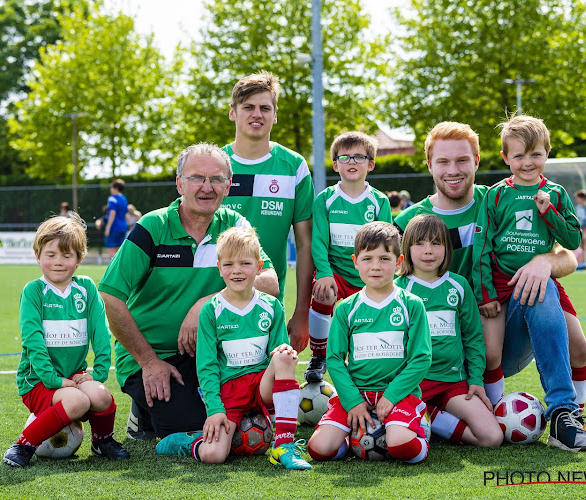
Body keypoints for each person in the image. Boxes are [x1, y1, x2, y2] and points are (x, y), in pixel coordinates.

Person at [394, 121, 586, 446]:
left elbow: (569, 256)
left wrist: (544, 261)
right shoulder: (409, 224)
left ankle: (567, 415)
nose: (453, 170)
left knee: (556, 309)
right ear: (429, 165)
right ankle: (434, 413)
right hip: (441, 351)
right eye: (443, 161)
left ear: (478, 161)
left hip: (500, 331)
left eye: (462, 160)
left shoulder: (495, 199)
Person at [98, 143, 279, 439]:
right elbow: (110, 296)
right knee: (200, 427)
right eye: (197, 178)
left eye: (217, 179)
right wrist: (149, 362)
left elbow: (269, 281)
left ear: (228, 186)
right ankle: (143, 413)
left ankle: (156, 410)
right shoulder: (152, 227)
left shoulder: (234, 225)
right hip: (156, 355)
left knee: (245, 415)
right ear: (180, 183)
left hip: (214, 354)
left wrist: (205, 303)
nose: (206, 187)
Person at [156, 227, 310, 469]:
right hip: (230, 390)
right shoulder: (212, 310)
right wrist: (215, 409)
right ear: (219, 268)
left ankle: (284, 445)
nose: (236, 271)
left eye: (245, 263)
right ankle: (192, 440)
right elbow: (206, 366)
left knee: (284, 357)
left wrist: (286, 352)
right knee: (214, 455)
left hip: (262, 384)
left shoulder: (271, 306)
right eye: (228, 264)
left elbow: (277, 351)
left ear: (259, 267)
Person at [3, 213, 129, 467]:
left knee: (101, 395)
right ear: (37, 256)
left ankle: (102, 441)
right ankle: (23, 445)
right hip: (39, 381)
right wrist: (53, 379)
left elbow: (101, 332)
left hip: (74, 376)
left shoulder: (86, 288)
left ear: (79, 259)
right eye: (50, 255)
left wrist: (98, 372)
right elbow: (33, 340)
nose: (58, 262)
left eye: (67, 255)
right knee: (78, 401)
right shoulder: (34, 291)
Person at [307, 221, 432, 464]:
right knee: (319, 449)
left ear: (398, 262)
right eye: (367, 258)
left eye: (385, 258)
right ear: (355, 262)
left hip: (398, 395)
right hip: (358, 394)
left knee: (401, 447)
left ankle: (420, 432)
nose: (376, 266)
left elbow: (421, 358)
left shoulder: (411, 304)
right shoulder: (346, 308)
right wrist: (353, 401)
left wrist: (391, 397)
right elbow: (334, 358)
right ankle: (350, 441)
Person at [221, 72, 315, 355]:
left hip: (268, 304)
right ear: (233, 113)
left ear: (275, 116)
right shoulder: (215, 165)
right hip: (215, 304)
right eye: (248, 107)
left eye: (265, 107)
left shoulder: (294, 166)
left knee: (268, 393)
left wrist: (301, 312)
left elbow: (305, 244)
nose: (256, 114)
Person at [395, 214, 502, 447]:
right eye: (420, 243)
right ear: (406, 248)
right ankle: (429, 412)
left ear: (447, 248)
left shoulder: (459, 285)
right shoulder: (397, 289)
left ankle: (430, 415)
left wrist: (475, 380)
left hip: (453, 381)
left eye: (436, 243)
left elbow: (473, 338)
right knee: (395, 435)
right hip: (412, 383)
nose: (428, 251)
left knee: (491, 437)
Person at [307, 131, 392, 383]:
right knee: (324, 293)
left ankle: (369, 361)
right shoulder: (325, 199)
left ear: (371, 164)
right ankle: (319, 356)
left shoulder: (378, 202)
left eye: (358, 157)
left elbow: (386, 244)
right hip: (336, 273)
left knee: (373, 311)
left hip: (368, 275)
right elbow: (319, 241)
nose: (352, 162)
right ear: (335, 165)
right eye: (344, 157)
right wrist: (324, 273)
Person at [104, 179, 129, 258]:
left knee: (111, 250)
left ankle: (114, 269)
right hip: (123, 227)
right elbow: (126, 214)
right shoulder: (124, 199)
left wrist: (108, 227)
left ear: (115, 188)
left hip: (114, 227)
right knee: (119, 251)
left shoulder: (112, 198)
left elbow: (112, 213)